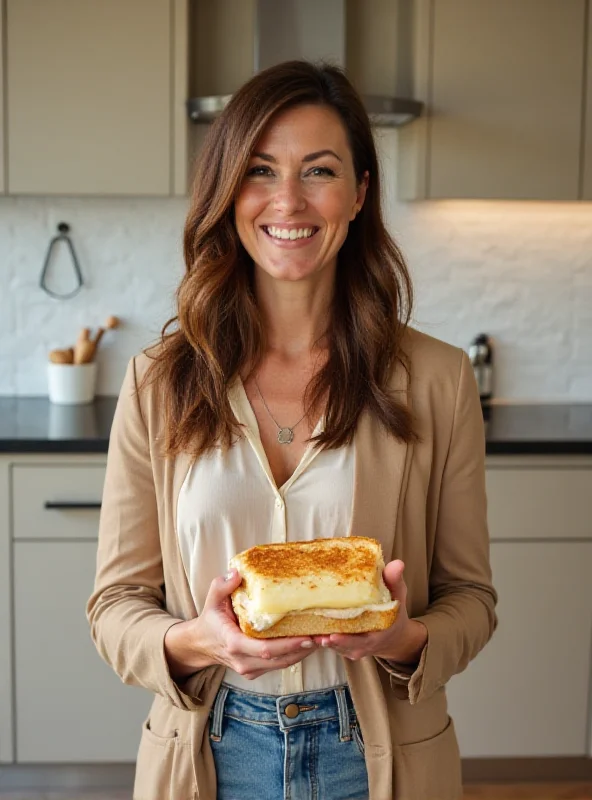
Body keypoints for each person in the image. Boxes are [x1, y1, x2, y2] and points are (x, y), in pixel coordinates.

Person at [87, 60, 497, 800]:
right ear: (227, 190)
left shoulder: (437, 378)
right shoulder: (160, 380)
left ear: (360, 191)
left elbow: (471, 596)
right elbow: (115, 607)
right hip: (210, 754)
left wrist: (403, 637)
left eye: (319, 170)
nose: (287, 200)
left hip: (376, 753)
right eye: (260, 170)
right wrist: (195, 640)